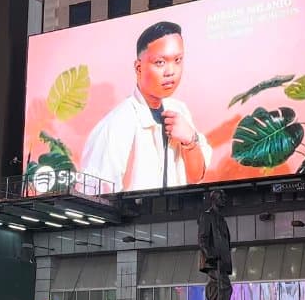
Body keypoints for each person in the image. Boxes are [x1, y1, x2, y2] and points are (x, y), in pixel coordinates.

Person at [80, 21, 211, 192]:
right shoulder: (118, 123)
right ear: (138, 67)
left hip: (180, 214)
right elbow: (94, 193)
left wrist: (190, 141)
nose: (171, 71)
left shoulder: (179, 110)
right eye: (160, 62)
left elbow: (196, 176)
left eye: (178, 60)